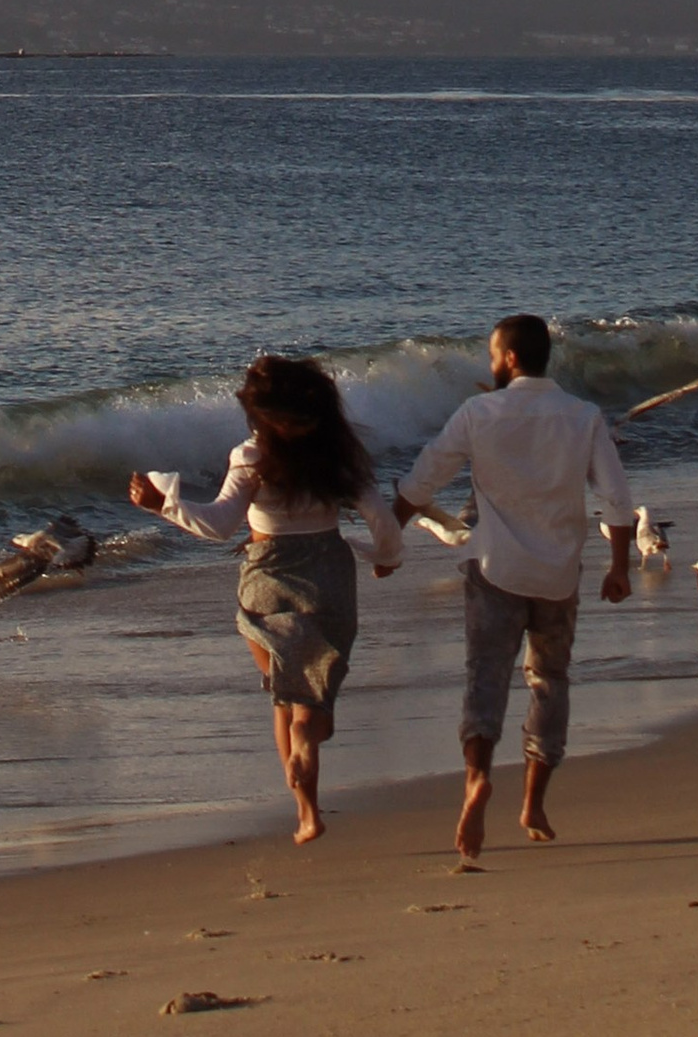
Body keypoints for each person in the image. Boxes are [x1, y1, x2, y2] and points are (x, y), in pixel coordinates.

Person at [130, 351, 401, 843]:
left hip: (267, 578)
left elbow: (219, 524)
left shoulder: (251, 458)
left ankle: (307, 814)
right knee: (313, 707)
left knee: (284, 695)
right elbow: (381, 519)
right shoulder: (339, 456)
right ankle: (307, 745)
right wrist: (386, 558)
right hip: (330, 577)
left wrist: (163, 504)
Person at [396, 314, 633, 864]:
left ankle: (477, 778)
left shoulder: (478, 412)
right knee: (549, 680)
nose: (490, 363)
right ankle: (533, 805)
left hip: (495, 569)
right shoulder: (582, 416)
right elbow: (617, 497)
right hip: (558, 575)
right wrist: (619, 567)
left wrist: (389, 542)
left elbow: (423, 479)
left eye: (491, 355)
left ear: (508, 358)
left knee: (486, 677)